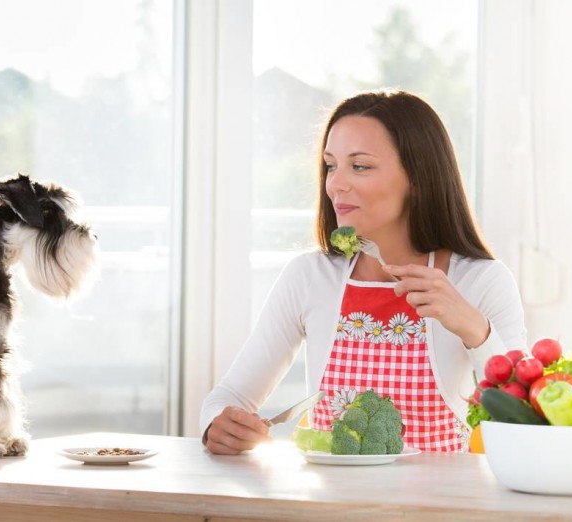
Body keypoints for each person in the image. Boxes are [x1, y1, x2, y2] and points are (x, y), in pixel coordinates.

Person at [200, 89, 526, 455]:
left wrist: (476, 331)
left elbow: (523, 425)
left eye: (360, 166)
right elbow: (230, 396)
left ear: (417, 180)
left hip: (442, 507)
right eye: (331, 165)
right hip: (330, 506)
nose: (336, 183)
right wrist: (218, 425)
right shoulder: (308, 276)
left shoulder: (481, 281)